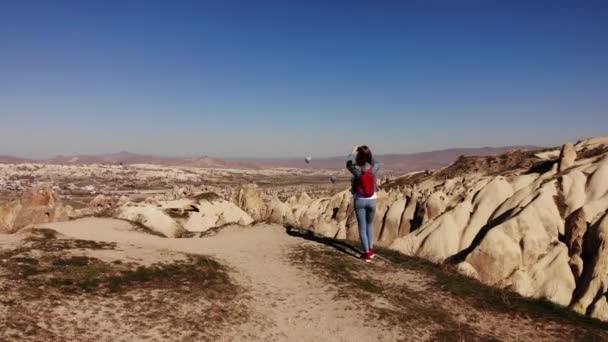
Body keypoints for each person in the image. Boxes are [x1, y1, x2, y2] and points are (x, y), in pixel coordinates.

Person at [346, 145, 380, 262]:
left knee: (362, 227)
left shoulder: (356, 169)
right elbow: (377, 161)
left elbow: (348, 163)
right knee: (370, 225)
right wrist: (368, 152)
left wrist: (353, 152)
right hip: (372, 200)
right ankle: (371, 250)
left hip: (360, 200)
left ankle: (366, 254)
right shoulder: (374, 167)